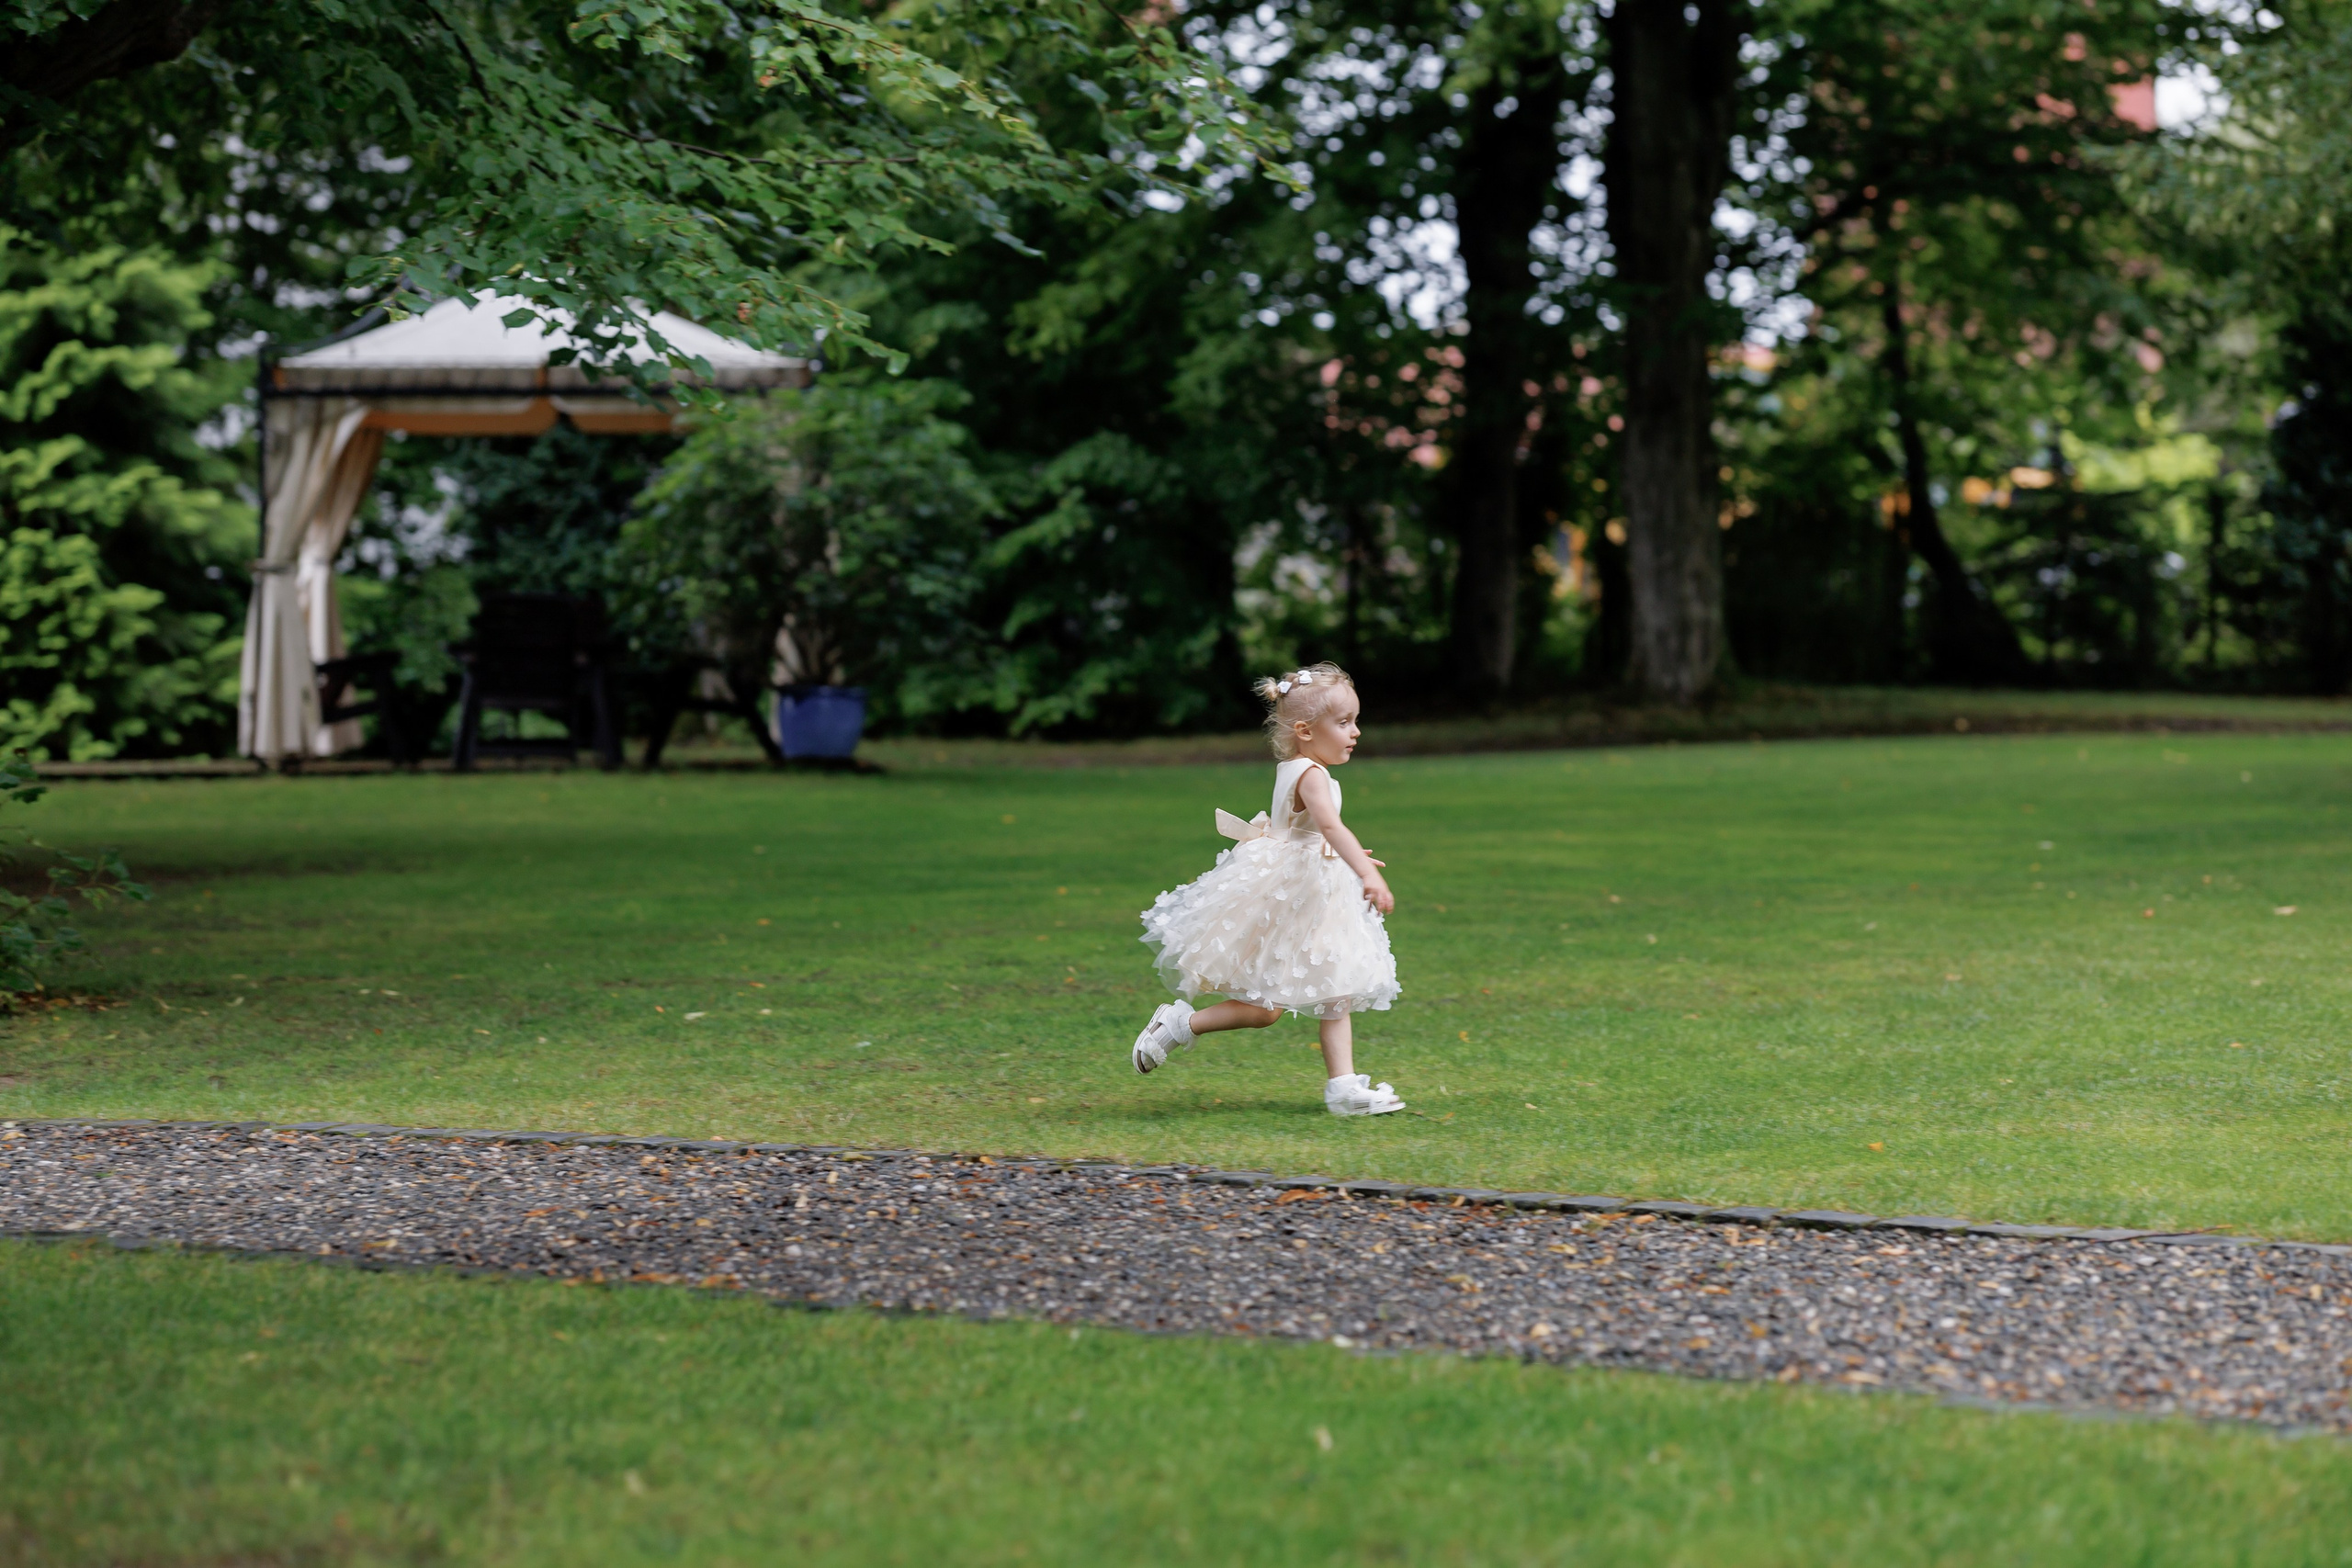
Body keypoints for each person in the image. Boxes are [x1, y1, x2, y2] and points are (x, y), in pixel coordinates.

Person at [1131, 661, 1405, 1116]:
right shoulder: (1311, 774)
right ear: (1305, 730)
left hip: (1312, 890)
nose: (1355, 732)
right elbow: (1331, 828)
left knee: (1310, 995)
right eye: (1343, 723)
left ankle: (1341, 1087)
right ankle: (1182, 1024)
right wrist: (1367, 872)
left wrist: (1353, 861)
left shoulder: (1296, 765)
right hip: (1294, 895)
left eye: (1355, 721)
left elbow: (1315, 835)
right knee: (1280, 1003)